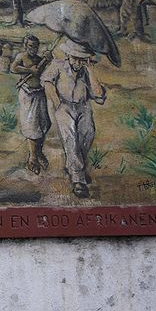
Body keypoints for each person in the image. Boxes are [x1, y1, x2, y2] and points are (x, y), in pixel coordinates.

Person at [42, 38, 107, 198]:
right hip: (64, 106)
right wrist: (56, 102)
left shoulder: (86, 71)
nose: (78, 62)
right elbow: (47, 81)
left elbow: (98, 94)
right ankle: (78, 179)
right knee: (70, 138)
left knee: (88, 134)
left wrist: (90, 71)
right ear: (68, 55)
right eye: (75, 58)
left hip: (83, 107)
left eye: (82, 59)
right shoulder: (58, 65)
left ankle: (76, 168)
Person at [10, 34, 52, 174]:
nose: (33, 49)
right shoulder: (21, 57)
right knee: (31, 126)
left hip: (40, 93)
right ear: (25, 46)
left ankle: (39, 152)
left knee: (44, 124)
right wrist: (29, 70)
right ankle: (32, 158)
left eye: (35, 46)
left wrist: (48, 60)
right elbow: (13, 68)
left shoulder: (40, 60)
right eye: (30, 46)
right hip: (27, 94)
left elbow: (47, 72)